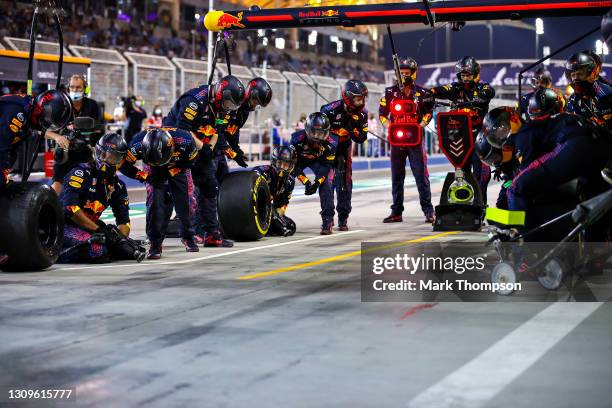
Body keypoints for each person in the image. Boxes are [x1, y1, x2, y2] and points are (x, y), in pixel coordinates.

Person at [162, 75, 245, 248]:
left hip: (200, 145)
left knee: (210, 186)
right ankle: (188, 232)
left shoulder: (223, 109)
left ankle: (211, 234)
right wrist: (203, 147)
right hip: (176, 145)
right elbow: (182, 130)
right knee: (184, 191)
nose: (229, 108)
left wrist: (214, 149)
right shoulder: (194, 101)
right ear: (221, 94)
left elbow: (218, 130)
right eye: (229, 103)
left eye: (233, 106)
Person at [58, 133, 143, 263]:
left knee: (130, 248)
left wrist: (119, 239)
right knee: (98, 250)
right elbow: (70, 208)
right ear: (98, 153)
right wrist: (98, 230)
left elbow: (124, 222)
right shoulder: (80, 173)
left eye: (114, 157)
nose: (106, 159)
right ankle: (54, 254)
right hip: (63, 225)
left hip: (90, 228)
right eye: (104, 154)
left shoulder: (118, 186)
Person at [120, 127, 204, 259]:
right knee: (155, 202)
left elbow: (190, 161)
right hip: (152, 170)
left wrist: (171, 171)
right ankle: (155, 243)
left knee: (187, 200)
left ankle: (188, 236)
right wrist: (144, 176)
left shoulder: (186, 141)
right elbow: (123, 165)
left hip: (177, 166)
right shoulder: (136, 145)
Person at [430, 56, 495, 204]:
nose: (465, 78)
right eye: (463, 75)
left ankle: (480, 206)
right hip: (461, 139)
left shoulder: (483, 87)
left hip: (480, 139)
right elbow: (441, 90)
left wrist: (480, 99)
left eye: (468, 75)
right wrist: (429, 93)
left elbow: (490, 91)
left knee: (482, 176)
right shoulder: (455, 88)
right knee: (462, 175)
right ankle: (463, 205)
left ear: (476, 74)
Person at [379, 57, 435, 223]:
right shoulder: (389, 92)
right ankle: (396, 212)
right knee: (397, 177)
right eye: (401, 73)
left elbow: (428, 113)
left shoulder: (423, 93)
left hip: (415, 140)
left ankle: (428, 211)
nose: (404, 75)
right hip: (397, 140)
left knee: (421, 176)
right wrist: (389, 125)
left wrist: (421, 125)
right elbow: (382, 114)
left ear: (414, 74)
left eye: (407, 73)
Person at [0, 90, 72, 192]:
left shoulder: (28, 113)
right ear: (41, 109)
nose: (47, 125)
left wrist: (5, 178)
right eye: (49, 120)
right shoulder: (17, 111)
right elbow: (2, 147)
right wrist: (2, 182)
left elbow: (11, 150)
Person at [320, 79, 368, 231]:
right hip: (327, 150)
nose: (361, 102)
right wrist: (333, 134)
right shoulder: (328, 110)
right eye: (358, 98)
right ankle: (327, 219)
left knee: (345, 184)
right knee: (326, 183)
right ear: (348, 97)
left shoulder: (363, 115)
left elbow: (362, 138)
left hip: (345, 151)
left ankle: (343, 218)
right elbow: (317, 132)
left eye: (363, 98)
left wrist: (352, 130)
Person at [51, 75, 104, 194]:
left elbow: (99, 128)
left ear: (85, 89)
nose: (75, 90)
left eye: (79, 87)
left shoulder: (92, 105)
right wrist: (58, 137)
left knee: (88, 188)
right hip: (64, 152)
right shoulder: (60, 105)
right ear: (68, 88)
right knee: (56, 185)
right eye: (72, 87)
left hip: (86, 151)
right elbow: (45, 131)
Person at [215, 77, 273, 181]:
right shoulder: (230, 105)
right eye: (256, 101)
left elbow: (233, 130)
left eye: (258, 104)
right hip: (209, 145)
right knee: (210, 182)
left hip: (219, 148)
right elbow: (217, 130)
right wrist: (232, 153)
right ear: (251, 94)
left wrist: (236, 149)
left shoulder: (244, 112)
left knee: (223, 179)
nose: (255, 106)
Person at [291, 112, 339, 235]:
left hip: (320, 162)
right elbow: (292, 165)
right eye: (315, 133)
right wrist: (306, 181)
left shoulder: (333, 142)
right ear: (307, 130)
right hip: (300, 161)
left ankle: (327, 220)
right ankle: (277, 211)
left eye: (322, 133)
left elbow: (326, 166)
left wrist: (317, 183)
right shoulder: (296, 139)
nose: (318, 137)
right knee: (285, 176)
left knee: (327, 184)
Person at [253, 145, 297, 236]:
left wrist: (276, 217)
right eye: (279, 163)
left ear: (291, 166)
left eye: (286, 165)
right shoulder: (261, 172)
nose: (282, 167)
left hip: (268, 212)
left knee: (291, 226)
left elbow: (281, 206)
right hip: (252, 206)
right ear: (273, 162)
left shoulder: (290, 182)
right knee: (268, 206)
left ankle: (269, 226)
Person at [565, 51, 612, 129]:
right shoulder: (571, 100)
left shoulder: (607, 95)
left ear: (592, 74)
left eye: (580, 74)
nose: (576, 78)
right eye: (573, 75)